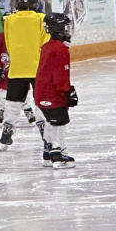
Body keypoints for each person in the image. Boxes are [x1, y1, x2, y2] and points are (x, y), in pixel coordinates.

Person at [0, 0, 49, 149]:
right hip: (37, 67)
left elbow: (8, 42)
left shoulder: (9, 20)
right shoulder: (41, 19)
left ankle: (7, 129)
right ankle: (44, 130)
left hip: (17, 67)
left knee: (13, 101)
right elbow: (46, 43)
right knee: (40, 100)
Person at [34, 13, 78, 168]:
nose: (67, 30)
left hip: (40, 94)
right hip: (52, 94)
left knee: (51, 121)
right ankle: (57, 153)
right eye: (65, 27)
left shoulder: (46, 46)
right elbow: (60, 75)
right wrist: (68, 91)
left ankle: (47, 153)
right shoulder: (60, 49)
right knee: (60, 121)